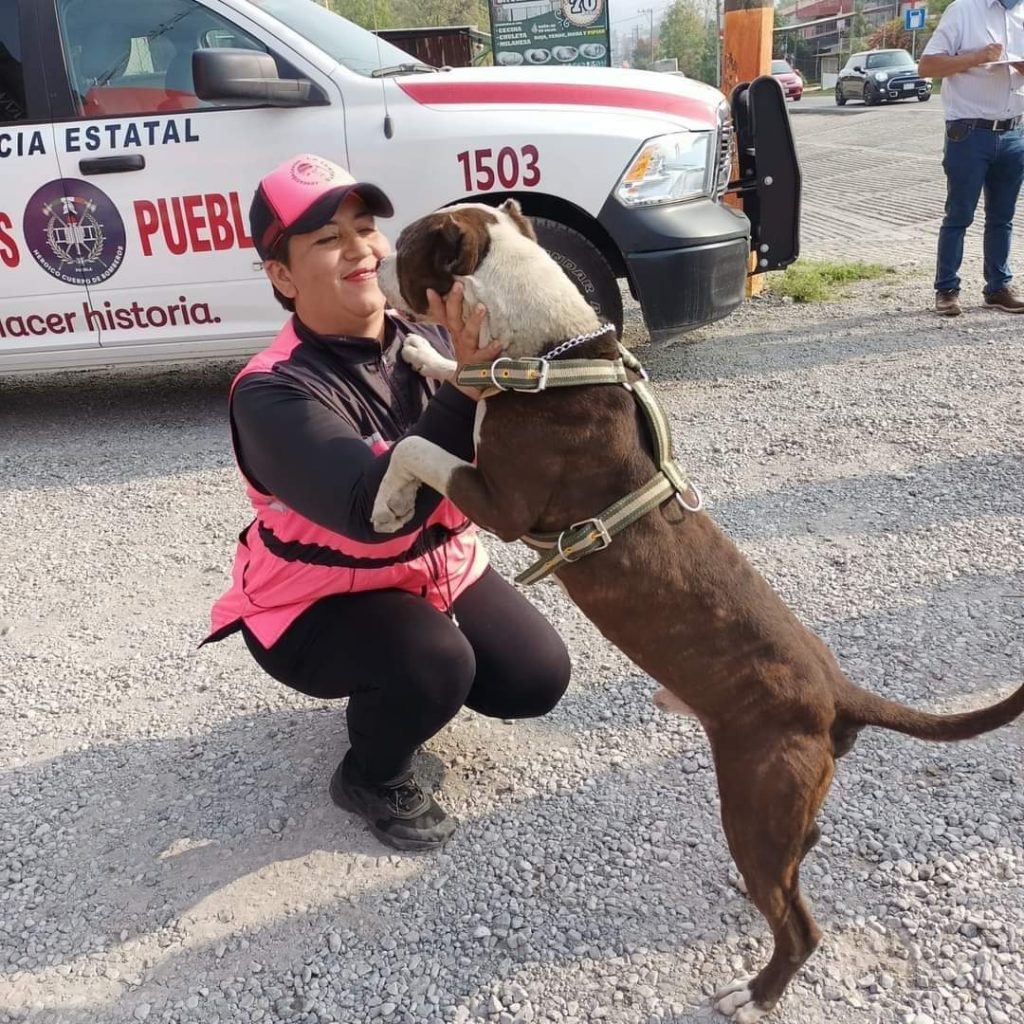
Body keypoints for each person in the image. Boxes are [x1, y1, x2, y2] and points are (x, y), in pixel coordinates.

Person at [204, 154, 572, 852]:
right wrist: (469, 385)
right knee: (437, 663)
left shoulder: (428, 337)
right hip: (314, 603)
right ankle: (370, 772)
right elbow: (371, 511)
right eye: (325, 239)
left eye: (365, 227)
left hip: (436, 570)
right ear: (281, 275)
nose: (361, 249)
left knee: (536, 678)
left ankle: (400, 682)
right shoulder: (272, 391)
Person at [919, 0, 1024, 316]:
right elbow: (927, 67)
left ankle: (997, 288)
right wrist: (978, 58)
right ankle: (947, 289)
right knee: (959, 215)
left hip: (1014, 132)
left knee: (1002, 218)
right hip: (968, 133)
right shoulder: (963, 10)